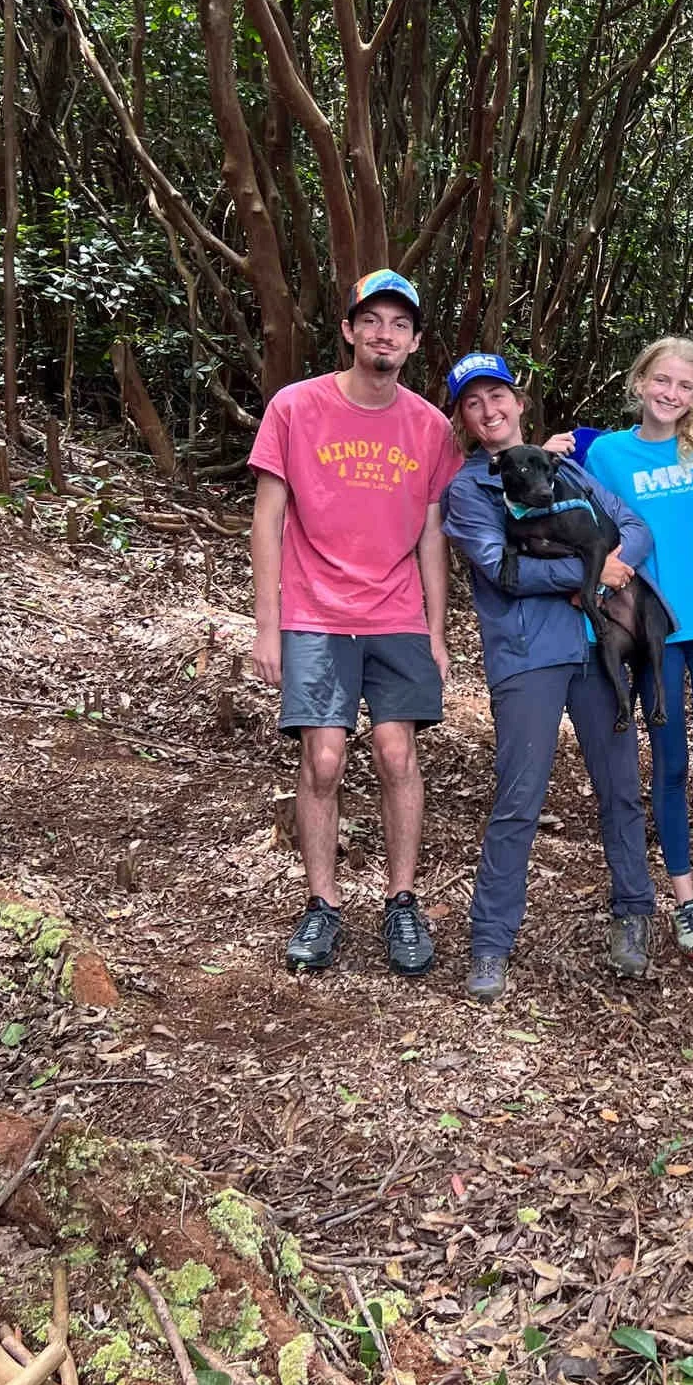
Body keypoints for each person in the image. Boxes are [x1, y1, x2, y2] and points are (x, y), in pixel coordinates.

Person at [248, 269, 462, 977]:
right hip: (314, 611)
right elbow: (269, 520)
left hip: (396, 613)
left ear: (414, 341)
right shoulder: (295, 407)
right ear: (348, 330)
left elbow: (433, 533)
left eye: (399, 324)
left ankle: (401, 901)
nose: (384, 334)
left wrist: (436, 632)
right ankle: (323, 903)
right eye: (372, 320)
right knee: (325, 759)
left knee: (398, 754)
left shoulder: (429, 426)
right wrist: (268, 627)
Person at [440, 350, 660, 1004]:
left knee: (621, 786)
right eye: (473, 403)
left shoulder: (561, 467)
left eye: (497, 396)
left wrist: (614, 568)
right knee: (518, 799)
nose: (489, 410)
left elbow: (634, 527)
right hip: (527, 653)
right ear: (466, 418)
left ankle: (634, 913)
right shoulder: (468, 489)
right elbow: (501, 570)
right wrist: (588, 576)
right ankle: (490, 944)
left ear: (518, 401)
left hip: (598, 647)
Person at [581, 339, 693, 965]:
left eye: (685, 386)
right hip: (654, 633)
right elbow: (576, 504)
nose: (671, 394)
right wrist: (551, 446)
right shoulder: (608, 453)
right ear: (640, 380)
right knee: (671, 765)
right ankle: (683, 898)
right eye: (662, 381)